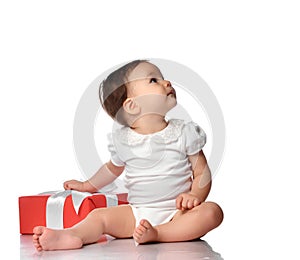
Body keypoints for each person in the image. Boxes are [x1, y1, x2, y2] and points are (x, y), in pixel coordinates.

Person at [33, 60, 223, 251]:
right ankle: (72, 235)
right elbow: (111, 169)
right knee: (99, 216)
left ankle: (160, 233)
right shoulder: (123, 140)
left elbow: (202, 173)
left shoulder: (184, 132)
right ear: (132, 105)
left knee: (212, 212)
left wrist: (194, 195)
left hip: (178, 214)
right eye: (154, 80)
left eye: (163, 78)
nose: (167, 83)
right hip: (136, 213)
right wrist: (86, 186)